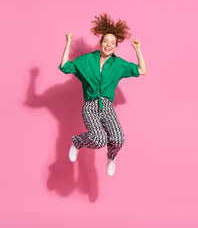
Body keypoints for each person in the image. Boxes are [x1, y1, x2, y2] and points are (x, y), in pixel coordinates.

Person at [58, 13, 147, 176]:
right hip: (90, 105)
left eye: (112, 43)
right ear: (100, 43)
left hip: (107, 106)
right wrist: (68, 42)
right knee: (99, 140)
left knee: (119, 139)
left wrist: (138, 50)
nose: (108, 45)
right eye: (105, 41)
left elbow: (142, 70)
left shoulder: (118, 64)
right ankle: (77, 142)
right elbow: (65, 66)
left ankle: (111, 158)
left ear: (115, 47)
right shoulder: (87, 60)